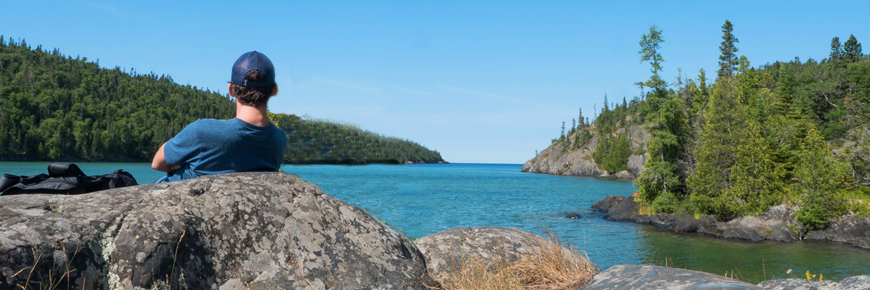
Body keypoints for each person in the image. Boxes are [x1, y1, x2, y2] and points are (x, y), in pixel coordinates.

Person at [151, 51, 288, 183]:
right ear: (274, 90)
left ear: (231, 89)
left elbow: (157, 163)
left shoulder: (202, 131)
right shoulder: (279, 140)